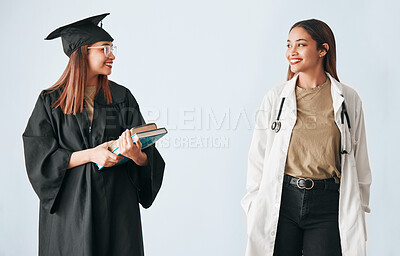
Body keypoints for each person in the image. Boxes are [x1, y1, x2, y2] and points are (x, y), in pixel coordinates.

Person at [22, 13, 165, 256]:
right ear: (83, 53)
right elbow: (40, 160)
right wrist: (91, 155)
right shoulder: (51, 102)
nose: (112, 55)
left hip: (117, 213)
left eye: (112, 48)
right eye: (105, 48)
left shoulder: (122, 97)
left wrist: (137, 155)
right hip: (71, 215)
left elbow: (148, 160)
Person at [241, 19, 371, 256]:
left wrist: (359, 208)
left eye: (300, 45)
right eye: (289, 45)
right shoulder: (275, 98)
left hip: (328, 205)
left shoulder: (348, 99)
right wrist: (253, 204)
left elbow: (360, 159)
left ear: (323, 49)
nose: (292, 51)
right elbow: (258, 158)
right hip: (282, 202)